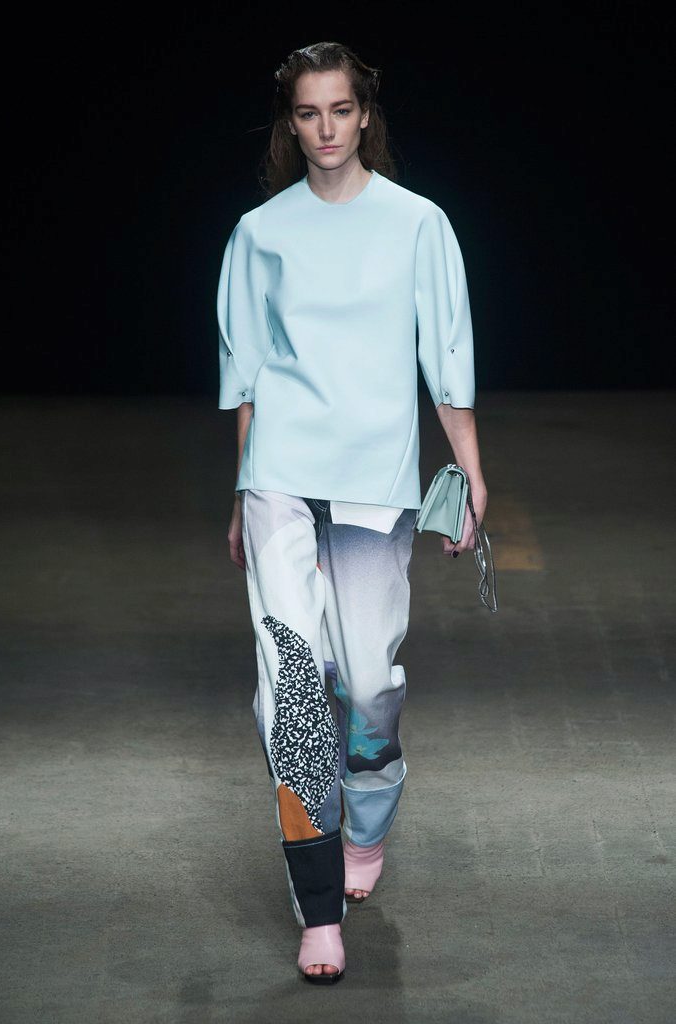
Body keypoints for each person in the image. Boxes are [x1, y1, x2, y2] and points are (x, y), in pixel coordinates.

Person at [216, 41, 488, 984]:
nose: (325, 128)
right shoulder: (260, 233)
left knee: (369, 685)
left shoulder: (417, 224)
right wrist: (240, 493)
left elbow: (445, 354)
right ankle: (318, 903)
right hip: (281, 477)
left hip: (376, 478)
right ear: (290, 123)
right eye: (308, 113)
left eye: (340, 109)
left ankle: (368, 813)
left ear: (364, 114)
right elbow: (247, 374)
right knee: (291, 684)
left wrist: (470, 472)